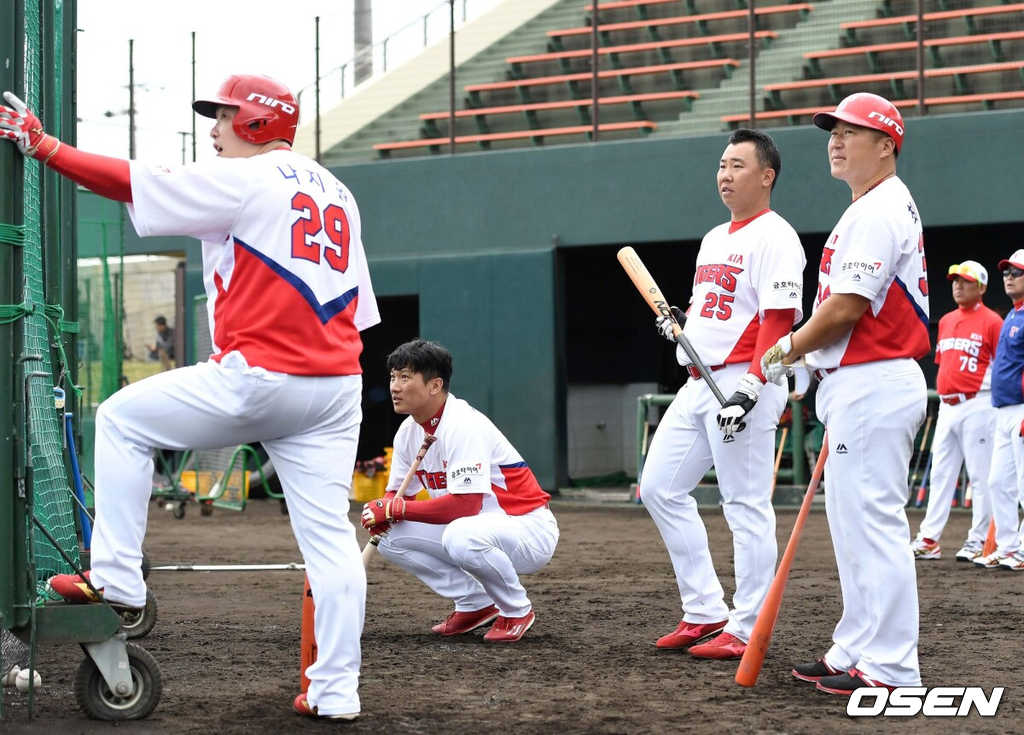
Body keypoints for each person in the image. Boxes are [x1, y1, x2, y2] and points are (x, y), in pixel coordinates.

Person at [0, 75, 379, 720]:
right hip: (338, 389)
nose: (214, 128)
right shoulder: (337, 190)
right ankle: (337, 693)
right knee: (331, 548)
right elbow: (361, 312)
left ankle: (117, 581)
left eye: (226, 116)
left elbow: (134, 181)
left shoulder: (251, 176)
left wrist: (46, 146)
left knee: (120, 418)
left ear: (260, 123)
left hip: (262, 375)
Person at [762, 93, 929, 695]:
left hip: (875, 382)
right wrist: (809, 364)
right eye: (831, 130)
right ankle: (855, 648)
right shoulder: (870, 205)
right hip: (859, 383)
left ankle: (889, 669)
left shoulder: (880, 209)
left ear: (886, 145)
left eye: (851, 131)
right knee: (852, 529)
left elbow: (847, 309)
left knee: (873, 528)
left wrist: (785, 350)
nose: (835, 139)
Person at [640, 128, 805, 660]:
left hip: (742, 383)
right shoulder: (715, 238)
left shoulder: (777, 236)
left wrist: (755, 385)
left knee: (745, 505)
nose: (725, 175)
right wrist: (680, 325)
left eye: (737, 165)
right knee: (659, 488)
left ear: (766, 175)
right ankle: (705, 609)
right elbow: (718, 311)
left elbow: (777, 322)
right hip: (698, 382)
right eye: (721, 165)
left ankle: (747, 625)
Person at [361, 339, 558, 643]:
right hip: (475, 528)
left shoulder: (463, 424)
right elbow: (397, 496)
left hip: (526, 528)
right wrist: (383, 510)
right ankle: (475, 603)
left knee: (460, 534)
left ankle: (516, 609)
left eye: (405, 377)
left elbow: (465, 505)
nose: (394, 387)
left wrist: (395, 509)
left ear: (434, 385)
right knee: (387, 535)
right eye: (392, 377)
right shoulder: (408, 432)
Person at [911, 261, 1000, 562]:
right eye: (955, 281)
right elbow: (943, 364)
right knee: (940, 474)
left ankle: (979, 540)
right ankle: (929, 539)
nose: (958, 286)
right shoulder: (947, 320)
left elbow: (1004, 366)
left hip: (979, 403)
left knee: (980, 475)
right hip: (947, 405)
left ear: (982, 287)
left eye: (965, 281)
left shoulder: (992, 321)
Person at [973, 250, 1024, 571]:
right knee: (996, 482)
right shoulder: (1012, 314)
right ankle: (1008, 546)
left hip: (1021, 410)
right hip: (1003, 409)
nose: (1009, 277)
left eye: (1016, 272)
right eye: (1006, 272)